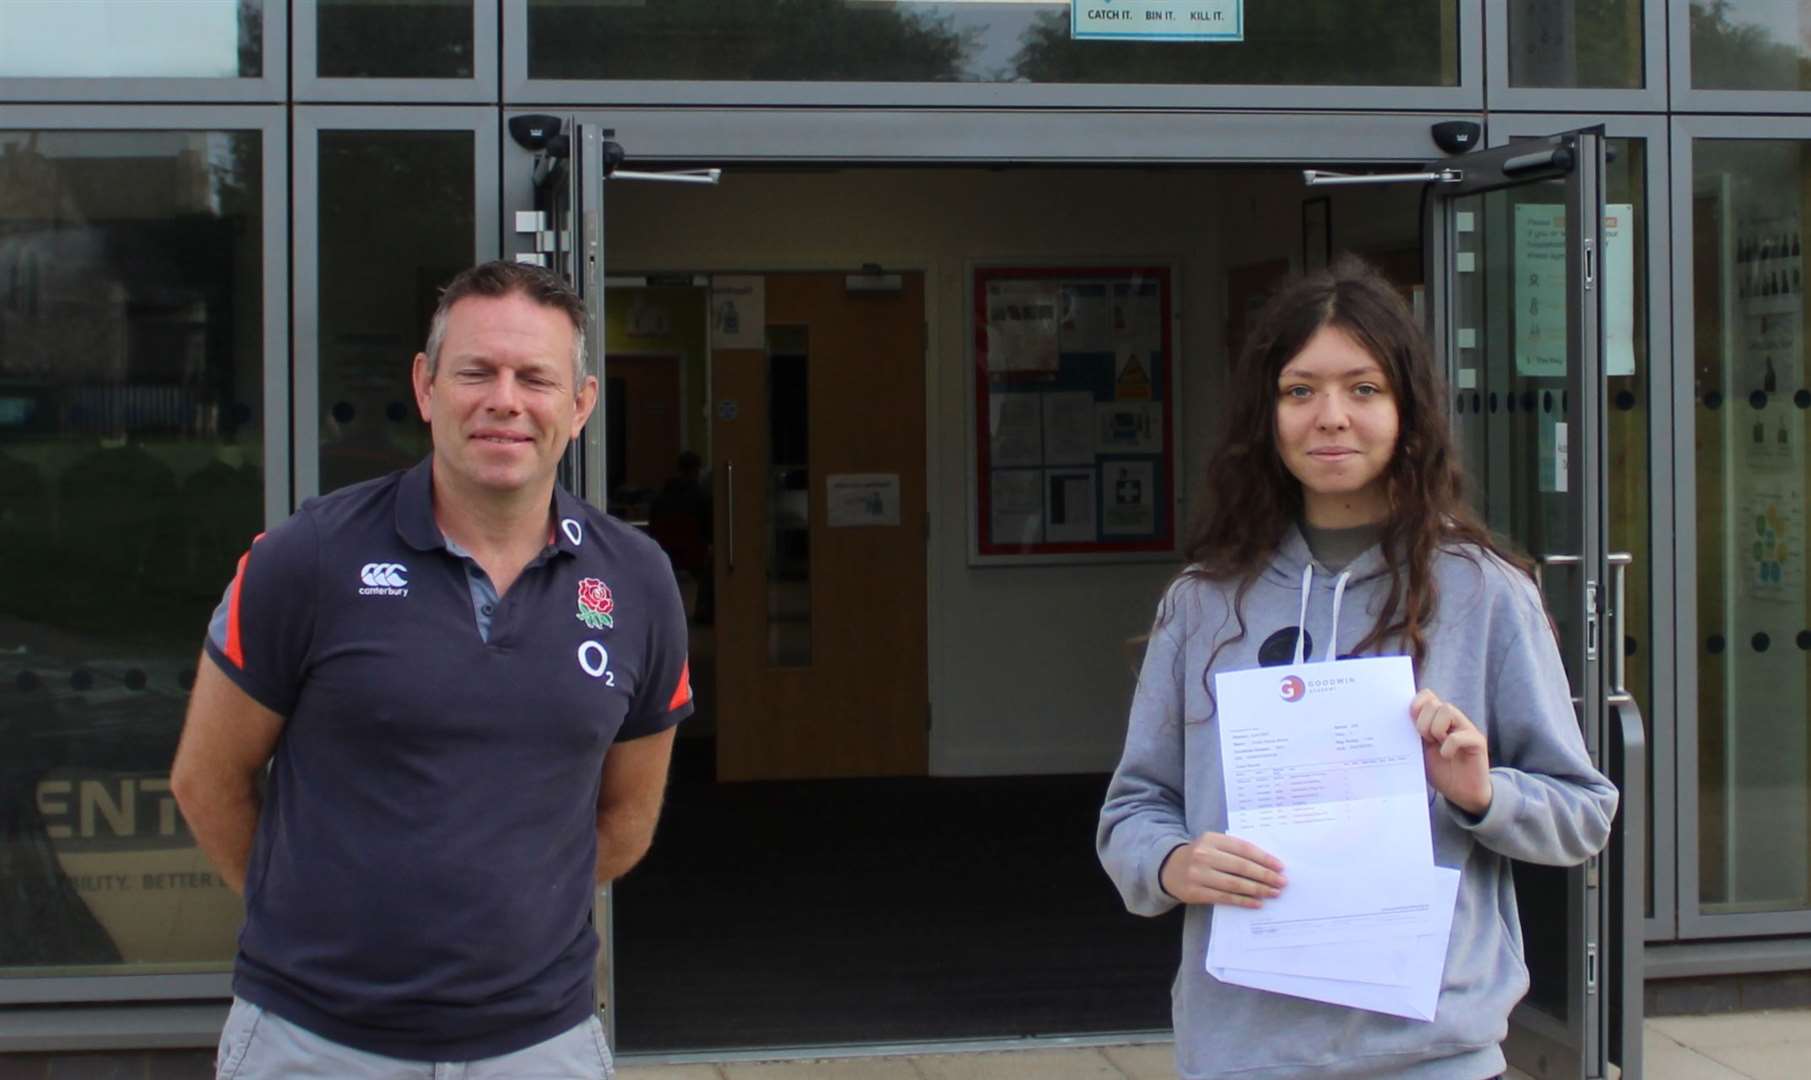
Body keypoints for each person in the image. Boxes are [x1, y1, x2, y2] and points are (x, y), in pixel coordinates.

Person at [1097, 255, 1617, 1080]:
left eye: (1362, 388)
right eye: (1299, 390)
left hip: (1431, 1050)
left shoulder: (1483, 593)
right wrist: (1170, 864)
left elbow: (1583, 814)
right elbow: (1132, 810)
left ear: (1407, 411)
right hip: (1242, 1051)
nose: (1329, 416)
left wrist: (1481, 792)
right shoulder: (1202, 603)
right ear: (1265, 417)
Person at [171, 261, 692, 1077]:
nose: (504, 401)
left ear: (581, 403)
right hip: (315, 1045)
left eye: (536, 378)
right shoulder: (308, 558)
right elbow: (206, 780)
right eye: (476, 372)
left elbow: (626, 818)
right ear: (425, 386)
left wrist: (506, 920)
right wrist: (316, 926)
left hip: (539, 1045)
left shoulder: (638, 579)